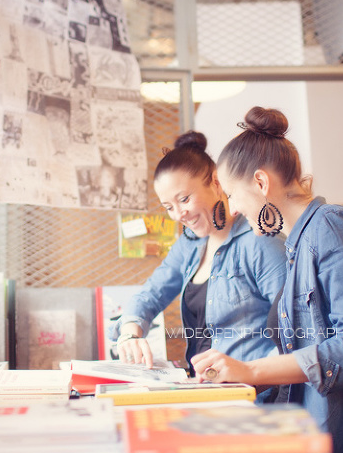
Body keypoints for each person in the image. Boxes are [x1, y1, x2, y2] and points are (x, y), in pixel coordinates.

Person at [194, 107, 343, 453]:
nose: (234, 209)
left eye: (232, 194)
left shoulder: (331, 226)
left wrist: (252, 369)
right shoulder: (297, 244)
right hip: (314, 430)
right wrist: (236, 367)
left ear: (260, 182)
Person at [109, 131, 288, 395]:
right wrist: (129, 333)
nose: (179, 214)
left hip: (254, 397)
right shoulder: (189, 244)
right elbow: (150, 294)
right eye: (168, 207)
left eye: (184, 199)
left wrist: (253, 375)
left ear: (216, 182)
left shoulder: (260, 242)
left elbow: (295, 330)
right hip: (206, 392)